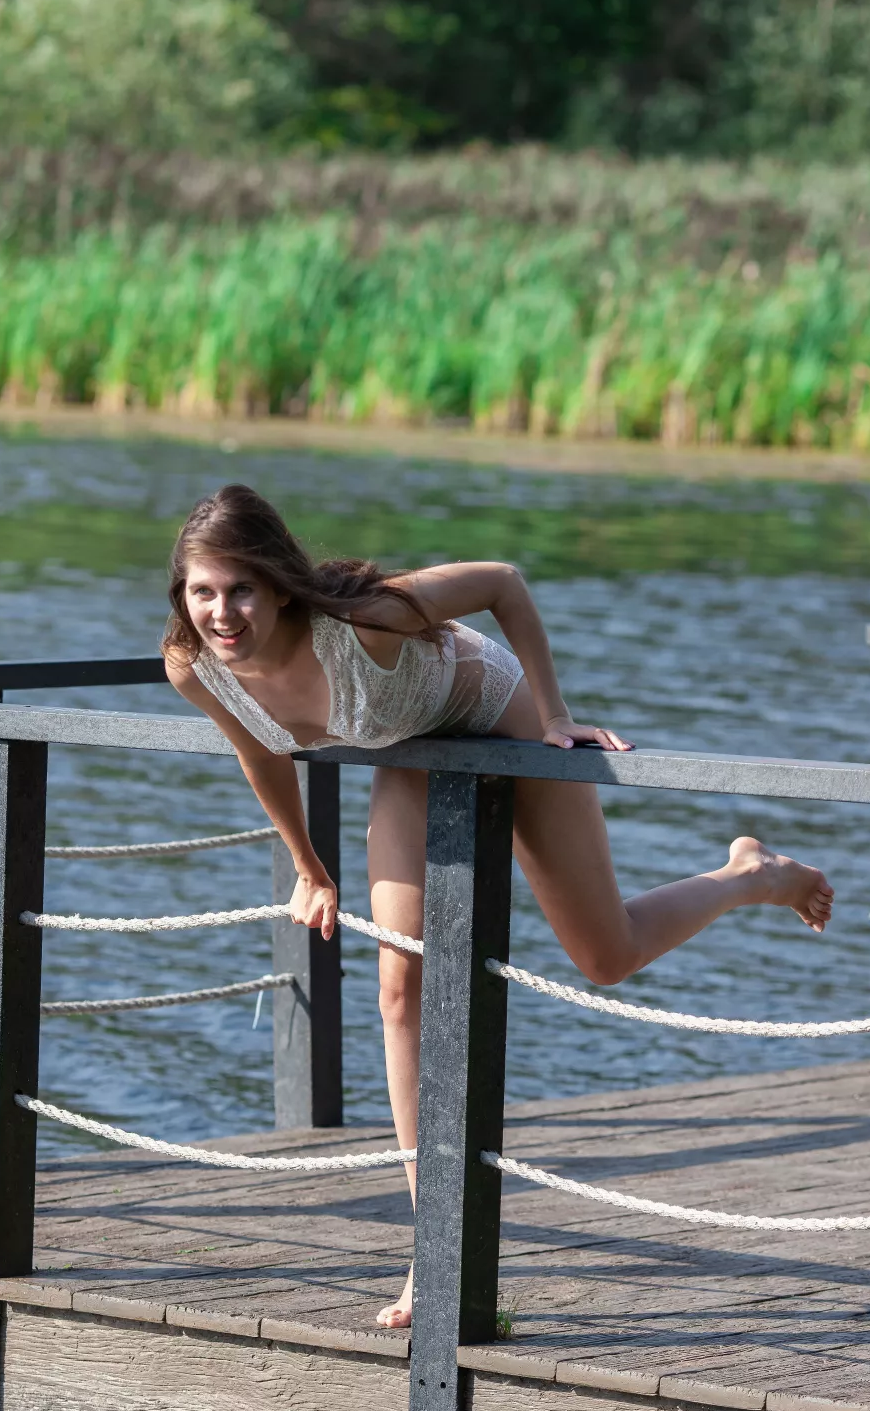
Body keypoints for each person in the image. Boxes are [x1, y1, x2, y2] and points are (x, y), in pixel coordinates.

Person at [163, 483, 834, 1328]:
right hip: (410, 746)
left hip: (497, 712)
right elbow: (258, 751)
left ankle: (749, 874)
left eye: (242, 589)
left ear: (280, 587)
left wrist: (557, 717)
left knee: (606, 954)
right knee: (399, 988)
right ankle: (433, 1248)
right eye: (203, 591)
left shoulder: (366, 621)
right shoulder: (192, 665)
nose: (222, 612)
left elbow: (503, 583)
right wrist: (310, 867)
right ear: (182, 592)